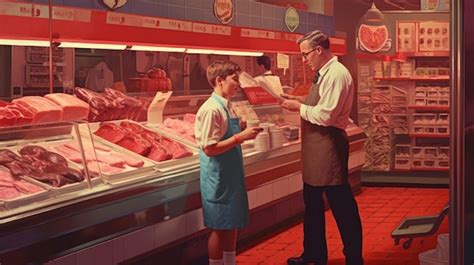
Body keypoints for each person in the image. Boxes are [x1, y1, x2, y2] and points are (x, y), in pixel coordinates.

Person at [281, 30, 364, 265]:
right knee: (312, 204)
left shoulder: (337, 74)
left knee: (342, 206)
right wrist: (297, 102)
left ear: (319, 50)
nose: (304, 60)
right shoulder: (322, 73)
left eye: (305, 54)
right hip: (315, 148)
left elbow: (326, 115)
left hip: (329, 146)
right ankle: (314, 254)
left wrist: (298, 107)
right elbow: (318, 106)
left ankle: (354, 258)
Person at [195, 60, 262, 265]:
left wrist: (239, 126)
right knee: (218, 225)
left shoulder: (227, 106)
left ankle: (230, 262)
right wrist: (241, 137)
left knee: (232, 221)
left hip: (230, 174)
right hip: (218, 177)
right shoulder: (211, 109)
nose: (238, 84)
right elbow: (209, 148)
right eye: (235, 79)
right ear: (219, 80)